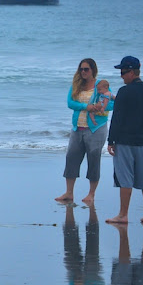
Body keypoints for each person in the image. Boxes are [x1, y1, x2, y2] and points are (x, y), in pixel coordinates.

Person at [106, 56, 143, 224]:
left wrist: (111, 141)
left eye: (123, 72)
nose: (121, 76)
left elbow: (116, 118)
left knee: (125, 179)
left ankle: (123, 215)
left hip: (124, 140)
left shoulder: (124, 92)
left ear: (131, 72)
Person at [56, 58, 114, 205]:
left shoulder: (101, 85)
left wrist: (99, 106)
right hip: (77, 128)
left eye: (86, 69)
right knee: (71, 158)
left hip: (96, 128)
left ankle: (91, 194)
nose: (83, 72)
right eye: (81, 69)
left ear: (93, 70)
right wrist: (86, 106)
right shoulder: (76, 85)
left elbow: (111, 103)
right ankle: (69, 193)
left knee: (93, 159)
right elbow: (70, 103)